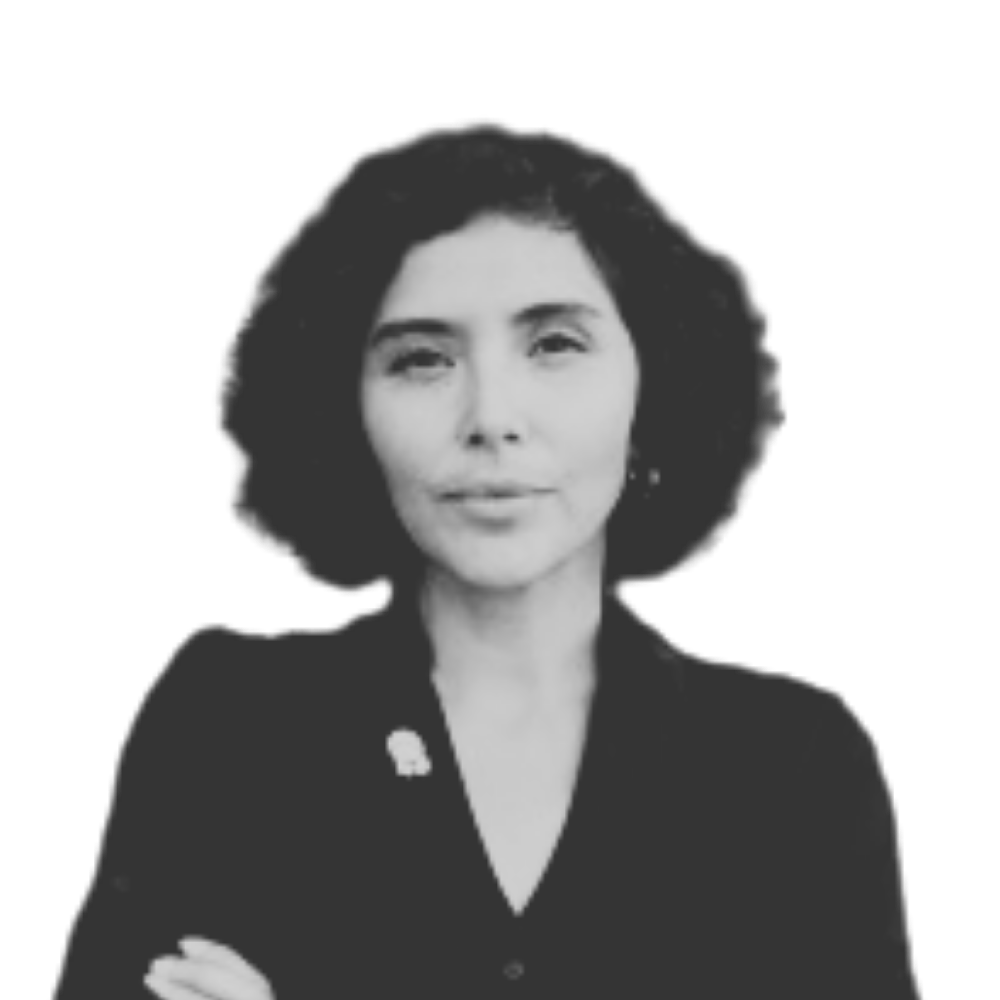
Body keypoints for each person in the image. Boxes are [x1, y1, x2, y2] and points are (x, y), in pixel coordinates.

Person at [56, 123, 910, 999]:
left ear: (653, 390)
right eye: (422, 360)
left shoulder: (796, 761)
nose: (491, 417)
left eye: (555, 344)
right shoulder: (226, 722)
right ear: (345, 410)